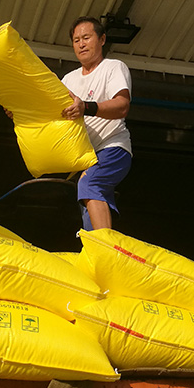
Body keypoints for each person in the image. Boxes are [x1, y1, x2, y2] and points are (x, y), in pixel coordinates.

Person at [60, 16, 132, 231]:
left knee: (89, 184)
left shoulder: (113, 68)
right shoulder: (68, 80)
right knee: (88, 206)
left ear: (101, 39)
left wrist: (87, 107)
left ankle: (104, 247)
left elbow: (122, 105)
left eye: (86, 37)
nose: (81, 44)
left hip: (112, 148)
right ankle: (99, 249)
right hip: (86, 157)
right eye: (76, 40)